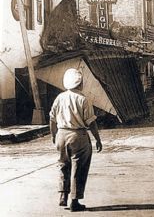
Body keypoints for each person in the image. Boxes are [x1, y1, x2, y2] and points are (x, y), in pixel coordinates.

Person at [49, 68, 103, 212]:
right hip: (78, 136)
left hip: (61, 134)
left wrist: (54, 135)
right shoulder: (83, 99)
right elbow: (91, 122)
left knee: (62, 165)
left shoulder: (59, 97)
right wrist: (97, 139)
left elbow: (52, 119)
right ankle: (74, 201)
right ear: (80, 83)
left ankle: (62, 196)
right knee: (78, 167)